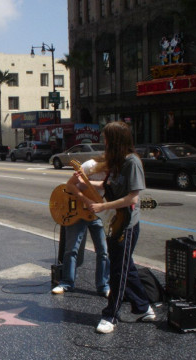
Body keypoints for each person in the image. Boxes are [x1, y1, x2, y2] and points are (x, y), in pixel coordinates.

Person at [84, 121, 155, 334]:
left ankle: (111, 315)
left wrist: (103, 206)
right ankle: (143, 308)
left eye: (106, 138)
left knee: (118, 271)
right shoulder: (116, 162)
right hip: (115, 223)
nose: (103, 142)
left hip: (127, 225)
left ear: (115, 140)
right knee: (125, 267)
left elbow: (133, 197)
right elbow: (108, 186)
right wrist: (85, 182)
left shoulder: (132, 162)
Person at [51, 158, 110, 297]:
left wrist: (89, 183)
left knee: (103, 251)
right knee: (71, 249)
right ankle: (67, 282)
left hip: (96, 213)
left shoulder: (116, 170)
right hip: (79, 210)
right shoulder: (90, 166)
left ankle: (103, 285)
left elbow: (108, 185)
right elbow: (70, 185)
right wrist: (86, 199)